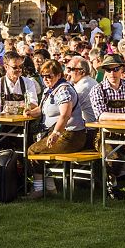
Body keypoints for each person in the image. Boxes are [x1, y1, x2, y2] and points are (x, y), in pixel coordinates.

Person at [26, 59, 86, 199]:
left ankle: (39, 189)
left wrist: (55, 133)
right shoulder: (51, 89)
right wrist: (30, 112)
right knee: (36, 149)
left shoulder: (63, 90)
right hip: (63, 134)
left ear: (59, 75)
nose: (46, 79)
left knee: (33, 151)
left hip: (71, 136)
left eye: (49, 76)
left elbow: (65, 115)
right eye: (43, 76)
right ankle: (51, 188)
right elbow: (41, 110)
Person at [90, 53, 125, 202]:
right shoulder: (97, 89)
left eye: (115, 69)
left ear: (122, 70)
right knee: (111, 159)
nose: (112, 73)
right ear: (104, 72)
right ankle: (112, 185)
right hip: (107, 134)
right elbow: (101, 115)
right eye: (108, 70)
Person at [65, 55, 96, 129]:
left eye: (71, 69)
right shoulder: (87, 81)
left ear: (82, 72)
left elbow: (65, 109)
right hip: (86, 127)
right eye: (67, 69)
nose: (68, 72)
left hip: (87, 131)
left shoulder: (83, 87)